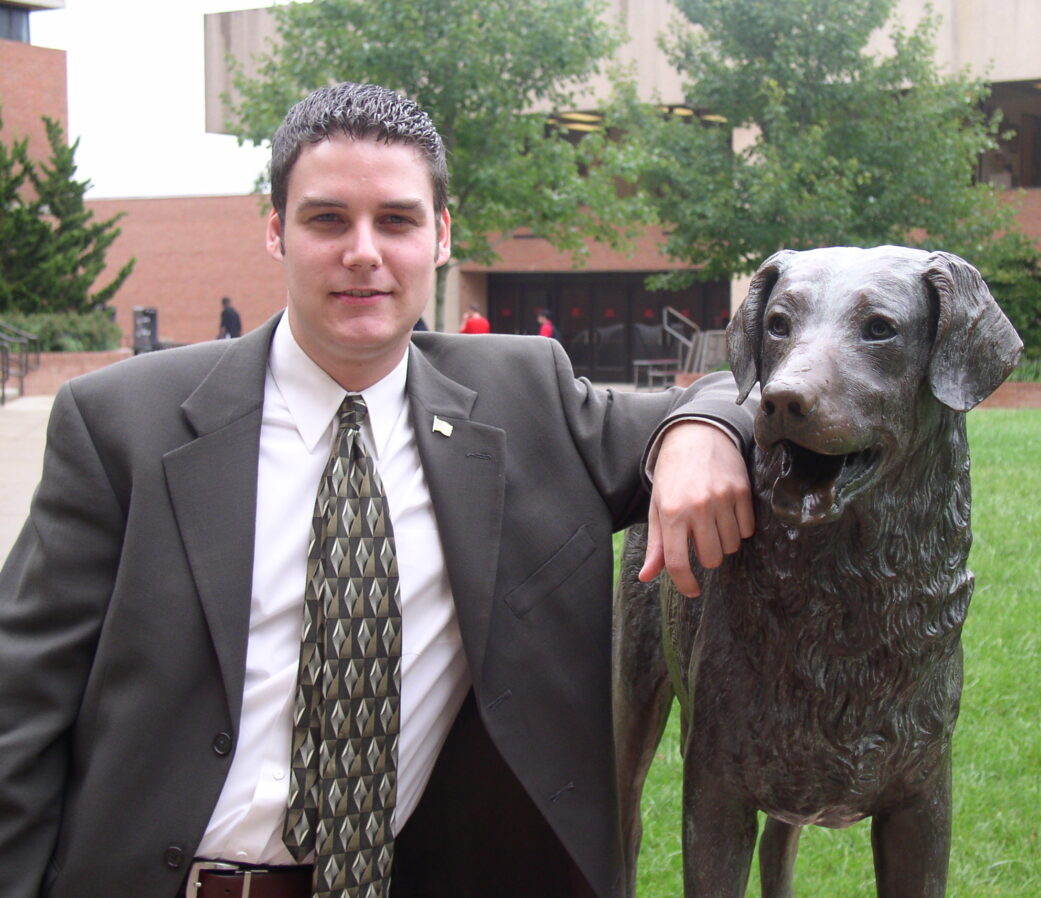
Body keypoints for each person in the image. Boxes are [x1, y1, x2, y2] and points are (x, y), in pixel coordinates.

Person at [0, 83, 755, 898]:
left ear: (439, 237)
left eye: (396, 220)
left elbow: (739, 392)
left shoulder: (528, 400)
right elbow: (19, 711)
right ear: (275, 231)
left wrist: (702, 431)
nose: (364, 251)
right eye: (327, 219)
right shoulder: (121, 425)